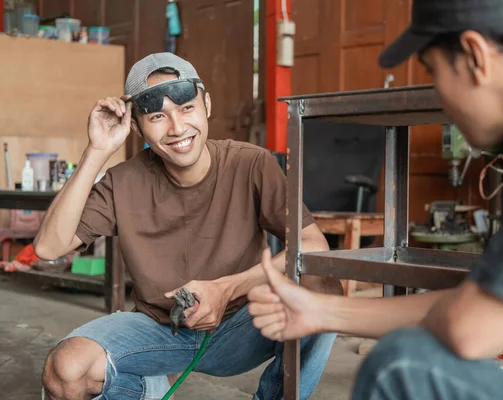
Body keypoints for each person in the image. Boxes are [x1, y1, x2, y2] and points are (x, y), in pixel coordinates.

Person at [248, 0, 503, 399]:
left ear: (475, 55)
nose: (439, 94)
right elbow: (481, 309)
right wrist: (320, 312)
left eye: (433, 71)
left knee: (402, 366)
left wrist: (325, 312)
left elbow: (472, 331)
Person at [35, 52, 341, 400]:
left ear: (206, 104)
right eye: (157, 116)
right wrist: (96, 150)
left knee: (323, 285)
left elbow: (314, 246)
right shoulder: (123, 182)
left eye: (187, 108)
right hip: (160, 330)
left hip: (244, 324)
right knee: (66, 372)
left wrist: (228, 288)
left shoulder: (250, 163)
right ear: (136, 126)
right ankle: (148, 389)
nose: (177, 128)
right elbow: (48, 247)